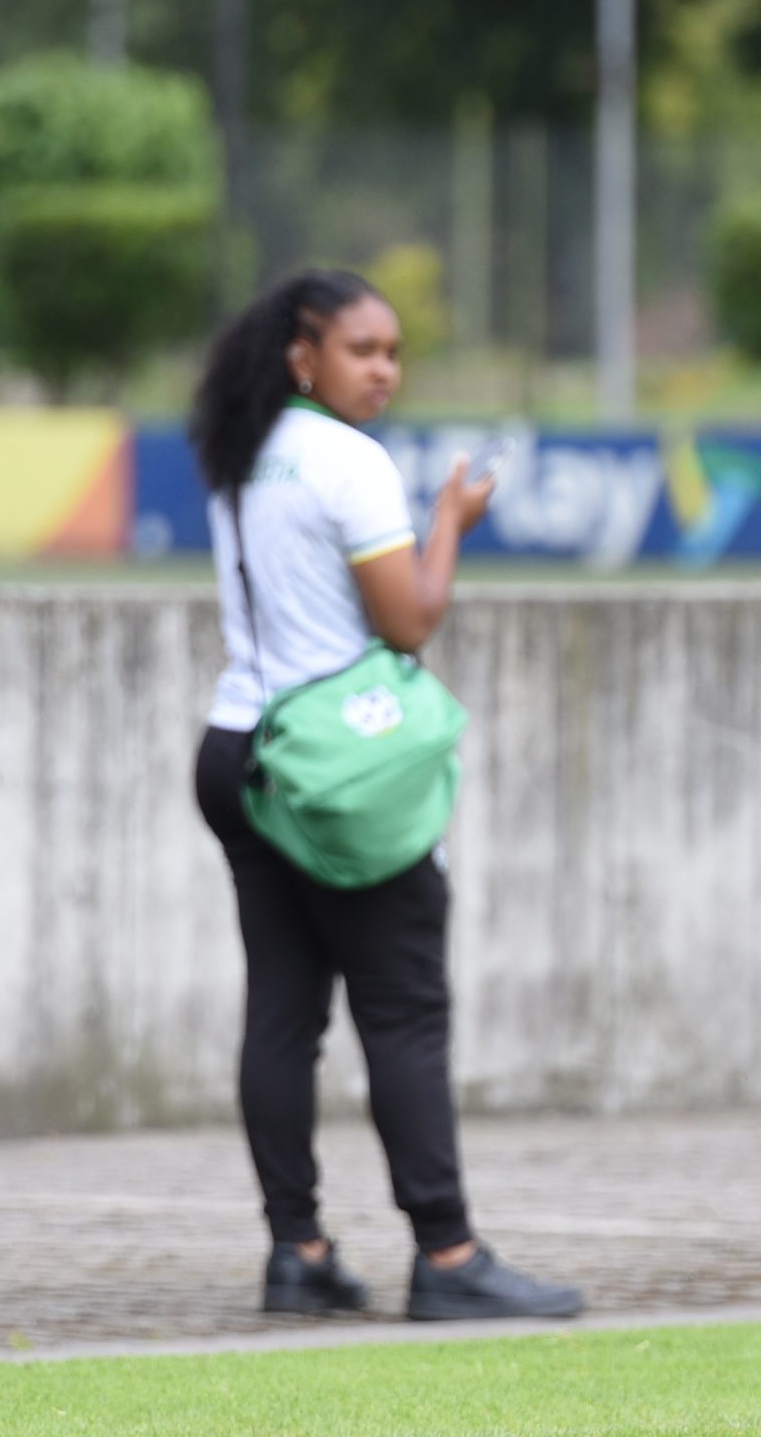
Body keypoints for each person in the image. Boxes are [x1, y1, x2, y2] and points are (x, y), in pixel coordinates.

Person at [189, 269, 585, 1319]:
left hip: (241, 748)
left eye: (394, 352)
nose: (385, 371)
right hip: (340, 769)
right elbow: (408, 621)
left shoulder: (241, 449)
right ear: (301, 354)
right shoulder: (348, 460)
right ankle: (448, 1256)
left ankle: (297, 1249)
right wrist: (452, 517)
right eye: (362, 350)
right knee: (403, 1010)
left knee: (281, 1011)